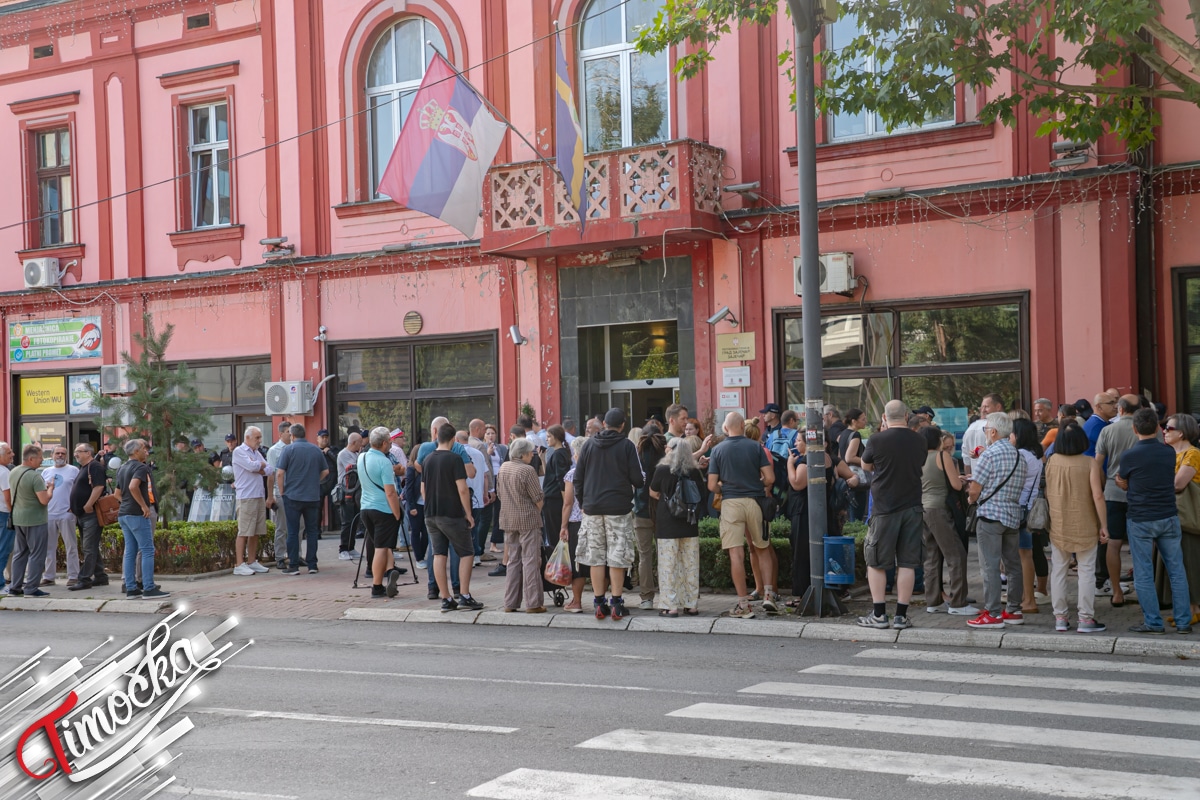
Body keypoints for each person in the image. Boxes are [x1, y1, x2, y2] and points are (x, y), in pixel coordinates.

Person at [1118, 408, 1193, 634]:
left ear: (1134, 429)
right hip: (1168, 515)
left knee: (1143, 571)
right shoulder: (1168, 452)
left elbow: (1123, 480)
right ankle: (1183, 622)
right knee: (1177, 570)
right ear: (1157, 428)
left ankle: (1153, 621)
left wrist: (1126, 483)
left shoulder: (1129, 455)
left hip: (1140, 518)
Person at [857, 400, 927, 630]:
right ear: (907, 416)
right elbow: (921, 464)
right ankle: (901, 616)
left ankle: (879, 615)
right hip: (913, 505)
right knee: (907, 562)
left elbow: (866, 466)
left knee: (876, 561)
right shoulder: (920, 439)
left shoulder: (877, 439)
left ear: (885, 418)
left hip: (885, 507)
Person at [574, 407, 645, 621]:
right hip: (618, 509)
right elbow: (638, 480)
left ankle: (598, 602)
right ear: (622, 425)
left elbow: (578, 478)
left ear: (603, 424)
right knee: (617, 556)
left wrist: (583, 502)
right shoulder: (626, 446)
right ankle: (616, 602)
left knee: (596, 557)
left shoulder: (588, 446)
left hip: (593, 508)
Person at [707, 411, 775, 619]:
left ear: (726, 428)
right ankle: (769, 595)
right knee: (762, 548)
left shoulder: (718, 450)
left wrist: (724, 489)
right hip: (755, 501)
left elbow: (711, 485)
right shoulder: (756, 447)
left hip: (730, 503)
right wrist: (756, 484)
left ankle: (743, 604)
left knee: (736, 554)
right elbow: (770, 478)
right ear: (743, 427)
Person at [1044, 421, 1108, 632]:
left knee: (1059, 571)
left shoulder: (1051, 461)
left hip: (1058, 523)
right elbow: (1098, 496)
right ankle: (1085, 619)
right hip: (1086, 523)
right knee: (1087, 571)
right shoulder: (1090, 463)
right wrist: (1104, 525)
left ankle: (1060, 618)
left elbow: (1046, 492)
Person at [965, 413, 1027, 628]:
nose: (985, 434)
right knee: (1013, 565)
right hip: (1012, 515)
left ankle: (992, 614)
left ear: (992, 432)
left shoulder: (989, 455)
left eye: (986, 430)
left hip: (990, 515)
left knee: (989, 566)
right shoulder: (1019, 456)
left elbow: (975, 488)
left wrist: (971, 498)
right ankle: (1014, 609)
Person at [786, 434, 857, 606]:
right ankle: (835, 589)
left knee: (802, 551)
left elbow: (797, 483)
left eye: (799, 440)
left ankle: (803, 594)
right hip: (825, 511)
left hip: (805, 512)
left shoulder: (807, 460)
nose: (796, 443)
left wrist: (789, 464)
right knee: (825, 551)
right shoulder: (829, 459)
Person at [423, 423, 484, 611]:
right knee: (467, 552)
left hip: (431, 514)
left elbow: (423, 489)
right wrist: (468, 514)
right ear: (453, 440)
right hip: (451, 513)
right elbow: (463, 489)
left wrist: (430, 505)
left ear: (437, 436)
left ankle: (446, 598)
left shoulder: (427, 459)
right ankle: (464, 594)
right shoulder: (455, 458)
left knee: (439, 554)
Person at [920, 426, 976, 615]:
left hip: (923, 509)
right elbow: (955, 485)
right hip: (940, 510)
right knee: (956, 554)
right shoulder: (941, 456)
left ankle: (933, 600)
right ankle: (958, 603)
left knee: (932, 556)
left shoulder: (917, 457)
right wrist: (964, 481)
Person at [648, 438, 707, 617]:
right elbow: (702, 496)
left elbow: (653, 492)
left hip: (667, 524)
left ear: (671, 450)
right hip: (689, 523)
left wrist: (671, 503)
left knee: (668, 565)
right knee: (689, 565)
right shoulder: (694, 471)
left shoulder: (663, 470)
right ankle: (691, 604)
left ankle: (670, 605)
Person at [1096, 395, 1143, 605]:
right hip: (1141, 494)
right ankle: (1145, 592)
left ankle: (1116, 592)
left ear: (1121, 410)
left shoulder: (1107, 430)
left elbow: (1098, 464)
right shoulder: (1149, 430)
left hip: (1113, 493)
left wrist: (1101, 486)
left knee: (1113, 544)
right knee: (1142, 544)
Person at [113, 439, 169, 599]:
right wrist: (143, 506)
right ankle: (149, 587)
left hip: (124, 514)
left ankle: (131, 588)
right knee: (147, 549)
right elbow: (133, 486)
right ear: (136, 451)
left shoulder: (122, 467)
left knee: (130, 550)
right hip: (138, 514)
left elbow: (117, 494)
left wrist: (128, 503)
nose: (147, 452)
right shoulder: (140, 467)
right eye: (144, 449)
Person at [1161, 414, 1200, 628]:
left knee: (1189, 561)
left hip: (1187, 517)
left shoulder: (1192, 454)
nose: (1164, 431)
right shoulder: (1172, 453)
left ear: (1182, 432)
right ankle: (1188, 608)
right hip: (1174, 515)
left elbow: (1178, 483)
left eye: (1169, 427)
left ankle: (1193, 608)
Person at [498, 437, 545, 612]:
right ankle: (533, 603)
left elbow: (500, 493)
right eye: (531, 453)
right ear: (524, 454)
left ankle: (510, 603)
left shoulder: (504, 468)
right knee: (531, 560)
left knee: (513, 561)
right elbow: (538, 498)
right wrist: (537, 511)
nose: (532, 456)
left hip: (508, 519)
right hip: (528, 519)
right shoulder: (527, 470)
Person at [275, 424, 329, 575]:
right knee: (312, 531)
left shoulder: (288, 450)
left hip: (292, 496)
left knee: (292, 531)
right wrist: (314, 482)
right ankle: (312, 564)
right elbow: (325, 471)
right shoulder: (315, 450)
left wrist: (282, 491)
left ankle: (293, 565)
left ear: (292, 435)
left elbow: (279, 473)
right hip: (312, 496)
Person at [359, 427, 405, 598]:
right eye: (390, 443)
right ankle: (377, 586)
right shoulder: (384, 462)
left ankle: (390, 569)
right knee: (381, 547)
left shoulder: (361, 457)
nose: (391, 446)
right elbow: (390, 492)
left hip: (366, 508)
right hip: (383, 509)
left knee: (382, 544)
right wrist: (397, 513)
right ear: (384, 443)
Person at [6, 444, 55, 597]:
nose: (42, 460)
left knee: (20, 553)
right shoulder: (35, 476)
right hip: (35, 520)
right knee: (37, 554)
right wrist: (51, 488)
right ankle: (31, 588)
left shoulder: (14, 471)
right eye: (40, 458)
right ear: (31, 458)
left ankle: (15, 586)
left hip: (18, 518)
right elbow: (44, 500)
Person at [1011, 418, 1047, 613]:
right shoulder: (1035, 455)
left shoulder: (1020, 455)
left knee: (1023, 555)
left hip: (1019, 507)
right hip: (1029, 506)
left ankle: (1028, 599)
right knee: (1027, 554)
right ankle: (1028, 598)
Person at [231, 426, 274, 576]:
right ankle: (239, 564)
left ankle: (251, 561)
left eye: (260, 437)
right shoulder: (239, 451)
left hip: (258, 495)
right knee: (244, 530)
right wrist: (259, 466)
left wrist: (259, 466)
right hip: (246, 496)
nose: (260, 441)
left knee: (256, 530)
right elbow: (251, 466)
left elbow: (269, 469)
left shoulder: (256, 452)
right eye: (257, 438)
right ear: (247, 438)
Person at [69, 443, 109, 591]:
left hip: (90, 514)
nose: (76, 455)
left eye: (79, 452)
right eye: (75, 452)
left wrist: (88, 504)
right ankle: (100, 576)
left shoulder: (95, 466)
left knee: (88, 547)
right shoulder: (84, 468)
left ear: (88, 453)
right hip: (81, 514)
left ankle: (84, 579)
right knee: (91, 546)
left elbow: (99, 486)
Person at [41, 444, 80, 587]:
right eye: (57, 453)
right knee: (48, 547)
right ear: (52, 455)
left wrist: (74, 507)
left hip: (67, 513)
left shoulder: (73, 470)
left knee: (71, 546)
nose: (60, 456)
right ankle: (49, 577)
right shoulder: (45, 472)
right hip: (49, 513)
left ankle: (73, 576)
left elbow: (79, 490)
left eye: (63, 453)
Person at [557, 436, 588, 612]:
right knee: (600, 561)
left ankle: (576, 601)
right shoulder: (594, 471)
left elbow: (568, 502)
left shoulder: (573, 473)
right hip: (595, 520)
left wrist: (563, 526)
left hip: (576, 522)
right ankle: (602, 599)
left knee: (578, 564)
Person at [266, 421, 292, 569]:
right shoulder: (274, 450)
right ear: (281, 433)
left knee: (298, 526)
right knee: (281, 527)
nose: (290, 434)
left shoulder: (294, 448)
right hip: (280, 491)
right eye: (288, 431)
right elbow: (271, 474)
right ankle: (280, 556)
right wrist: (271, 496)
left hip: (294, 492)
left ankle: (296, 554)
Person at [838, 408, 869, 522]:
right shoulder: (855, 435)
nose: (865, 421)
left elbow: (840, 457)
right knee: (856, 516)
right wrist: (866, 461)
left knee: (849, 514)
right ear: (854, 421)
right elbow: (849, 457)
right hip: (855, 477)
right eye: (863, 419)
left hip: (845, 476)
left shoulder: (843, 434)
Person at [336, 432, 364, 561]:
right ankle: (343, 548)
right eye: (359, 442)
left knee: (355, 519)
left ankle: (351, 547)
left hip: (356, 490)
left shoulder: (357, 453)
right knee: (347, 521)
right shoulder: (344, 454)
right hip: (347, 491)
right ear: (353, 442)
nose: (361, 444)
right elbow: (355, 467)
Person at [962, 394, 1005, 474]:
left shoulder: (969, 429)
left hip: (976, 479)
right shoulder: (999, 428)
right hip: (994, 478)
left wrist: (969, 480)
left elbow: (966, 461)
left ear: (998, 407)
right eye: (982, 407)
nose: (983, 410)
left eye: (986, 407)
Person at [0, 443, 13, 594]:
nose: (12, 454)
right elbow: (8, 496)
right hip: (4, 513)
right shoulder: (4, 472)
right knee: (4, 549)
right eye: (9, 452)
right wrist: (13, 513)